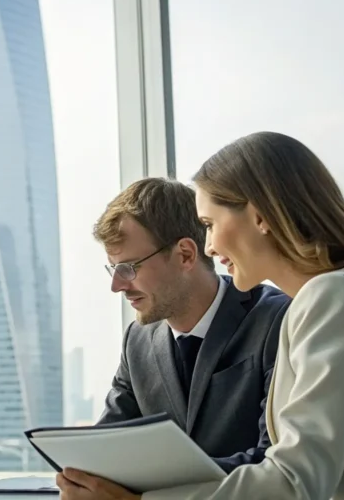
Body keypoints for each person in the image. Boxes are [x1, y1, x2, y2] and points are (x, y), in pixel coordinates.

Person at [58, 131, 344, 500]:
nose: (210, 245)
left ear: (258, 217)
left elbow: (294, 481)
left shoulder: (336, 296)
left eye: (209, 223)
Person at [93, 178, 289, 472]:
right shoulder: (137, 339)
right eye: (113, 268)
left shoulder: (277, 319)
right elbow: (107, 445)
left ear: (185, 254)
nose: (117, 286)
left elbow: (275, 459)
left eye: (129, 268)